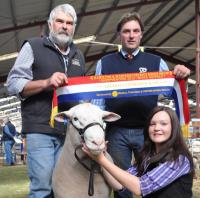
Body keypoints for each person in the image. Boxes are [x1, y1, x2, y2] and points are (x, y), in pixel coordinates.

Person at [92, 12, 191, 198]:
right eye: (126, 31)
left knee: (152, 176)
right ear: (119, 35)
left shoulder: (156, 62)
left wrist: (181, 74)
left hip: (148, 133)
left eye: (135, 31)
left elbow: (171, 88)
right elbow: (98, 103)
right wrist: (99, 132)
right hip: (116, 131)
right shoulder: (104, 63)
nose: (131, 35)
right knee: (121, 180)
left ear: (141, 35)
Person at [7, 3, 85, 198]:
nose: (64, 26)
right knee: (42, 188)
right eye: (60, 21)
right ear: (50, 24)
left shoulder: (79, 56)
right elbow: (13, 84)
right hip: (40, 130)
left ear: (74, 27)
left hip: (68, 133)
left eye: (69, 23)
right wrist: (46, 82)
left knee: (64, 189)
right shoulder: (33, 46)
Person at [83, 106, 194, 198]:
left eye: (163, 124)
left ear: (173, 128)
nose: (156, 128)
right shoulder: (147, 157)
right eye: (152, 124)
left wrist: (101, 159)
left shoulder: (179, 159)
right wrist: (102, 156)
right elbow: (118, 185)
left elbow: (141, 187)